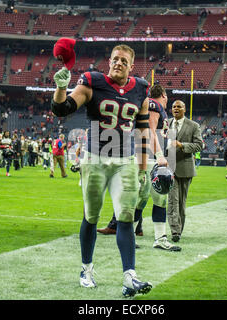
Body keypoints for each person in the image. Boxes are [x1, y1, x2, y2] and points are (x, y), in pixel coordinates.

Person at [52, 43, 152, 296]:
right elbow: (61, 109)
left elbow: (142, 130)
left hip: (124, 161)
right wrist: (61, 88)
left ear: (131, 66)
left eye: (124, 61)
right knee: (91, 215)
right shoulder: (92, 81)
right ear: (109, 61)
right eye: (115, 59)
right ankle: (86, 269)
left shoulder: (141, 88)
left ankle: (130, 276)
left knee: (126, 217)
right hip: (95, 158)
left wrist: (141, 169)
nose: (119, 63)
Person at [97, 84, 180, 251]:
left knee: (145, 200)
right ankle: (149, 238)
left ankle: (149, 237)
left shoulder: (148, 105)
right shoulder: (154, 105)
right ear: (163, 95)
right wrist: (159, 155)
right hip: (145, 158)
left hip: (139, 156)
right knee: (148, 198)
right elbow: (148, 132)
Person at [166, 99, 203, 242]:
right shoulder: (166, 123)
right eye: (174, 107)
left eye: (179, 107)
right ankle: (175, 230)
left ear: (184, 109)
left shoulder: (193, 125)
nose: (176, 109)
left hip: (185, 167)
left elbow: (199, 145)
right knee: (172, 200)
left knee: (181, 202)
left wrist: (182, 145)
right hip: (169, 169)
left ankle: (179, 229)